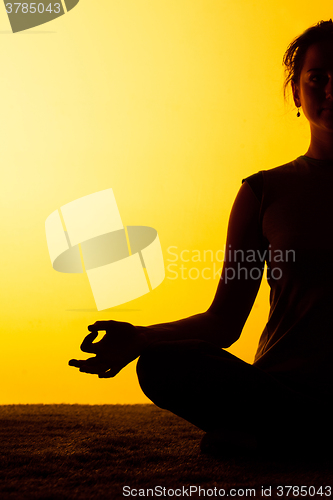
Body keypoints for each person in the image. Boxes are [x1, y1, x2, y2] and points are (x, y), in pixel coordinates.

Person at [69, 19, 333, 458]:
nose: (330, 91)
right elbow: (224, 321)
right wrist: (142, 337)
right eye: (318, 78)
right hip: (282, 391)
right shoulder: (263, 192)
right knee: (164, 363)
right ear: (296, 93)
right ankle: (305, 439)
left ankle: (283, 444)